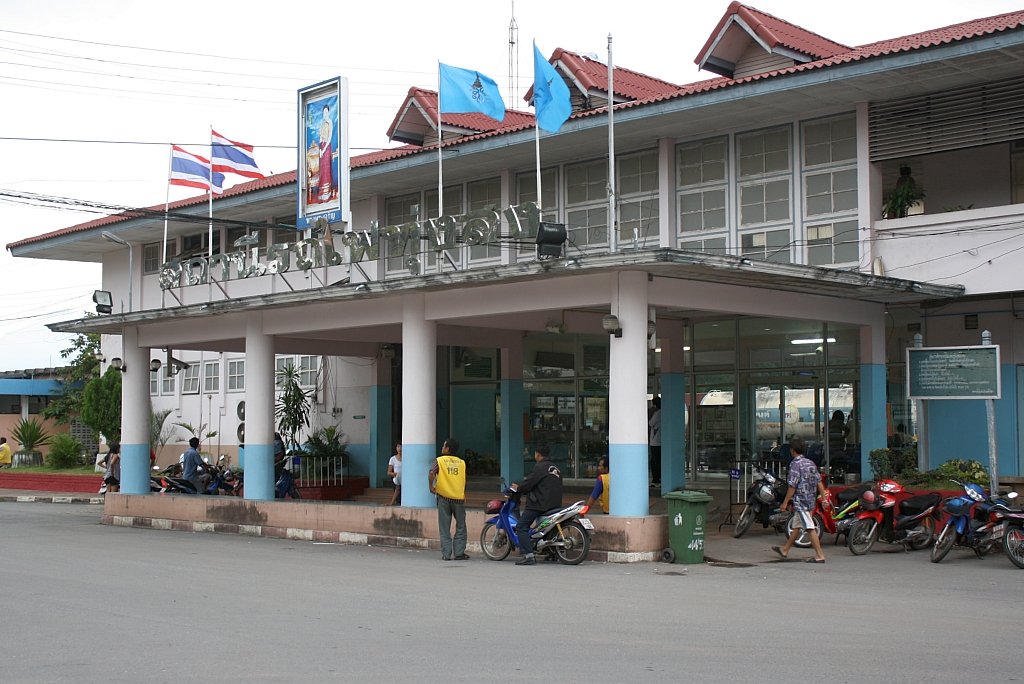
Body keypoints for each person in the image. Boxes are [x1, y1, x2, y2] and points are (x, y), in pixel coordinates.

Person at [773, 437, 829, 563]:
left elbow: (792, 485)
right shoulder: (810, 463)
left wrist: (785, 502)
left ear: (792, 450)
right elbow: (819, 482)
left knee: (809, 527)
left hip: (801, 501)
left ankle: (820, 555)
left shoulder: (795, 465)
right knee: (797, 525)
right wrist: (824, 499)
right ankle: (785, 549)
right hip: (810, 500)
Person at [513, 443, 563, 566]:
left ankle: (529, 555)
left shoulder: (539, 467)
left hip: (539, 504)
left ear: (538, 454)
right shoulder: (555, 468)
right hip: (555, 504)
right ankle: (551, 553)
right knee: (547, 528)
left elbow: (529, 483)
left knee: (521, 526)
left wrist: (518, 488)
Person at [428, 438, 468, 561]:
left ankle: (446, 554)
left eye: (444, 446)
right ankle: (459, 552)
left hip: (444, 497)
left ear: (447, 449)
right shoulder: (462, 463)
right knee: (461, 526)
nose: (442, 448)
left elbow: (431, 472)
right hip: (458, 498)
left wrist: (431, 486)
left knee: (444, 527)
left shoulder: (439, 461)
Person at [649, 397, 662, 487]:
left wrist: (651, 413)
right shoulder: (663, 413)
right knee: (657, 460)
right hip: (659, 441)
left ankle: (656, 480)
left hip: (655, 442)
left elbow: (650, 423)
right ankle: (659, 478)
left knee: (655, 461)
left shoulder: (657, 414)